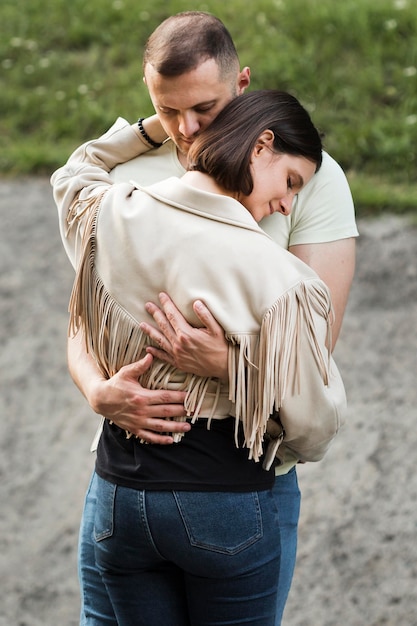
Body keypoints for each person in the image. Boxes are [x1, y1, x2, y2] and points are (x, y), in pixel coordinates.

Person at [53, 11, 358, 625]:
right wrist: (98, 391)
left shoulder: (312, 180)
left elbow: (314, 351)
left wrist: (222, 363)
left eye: (206, 108)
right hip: (171, 470)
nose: (187, 129)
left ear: (243, 87)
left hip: (203, 478)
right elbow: (83, 321)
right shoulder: (135, 181)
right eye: (167, 111)